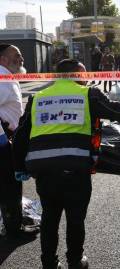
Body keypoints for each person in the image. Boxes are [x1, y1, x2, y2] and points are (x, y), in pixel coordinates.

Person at [12, 59, 120, 269]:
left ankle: (49, 263)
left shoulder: (37, 98)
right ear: (77, 73)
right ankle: (75, 261)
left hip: (45, 173)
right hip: (75, 169)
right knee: (75, 219)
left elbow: (21, 135)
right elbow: (119, 111)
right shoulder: (88, 94)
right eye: (84, 73)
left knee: (50, 219)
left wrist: (19, 167)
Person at [0, 43, 39, 239]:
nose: (22, 59)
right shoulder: (2, 79)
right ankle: (13, 230)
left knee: (8, 186)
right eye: (17, 55)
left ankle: (12, 222)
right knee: (9, 187)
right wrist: (3, 136)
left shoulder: (6, 77)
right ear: (3, 59)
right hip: (3, 145)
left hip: (7, 141)